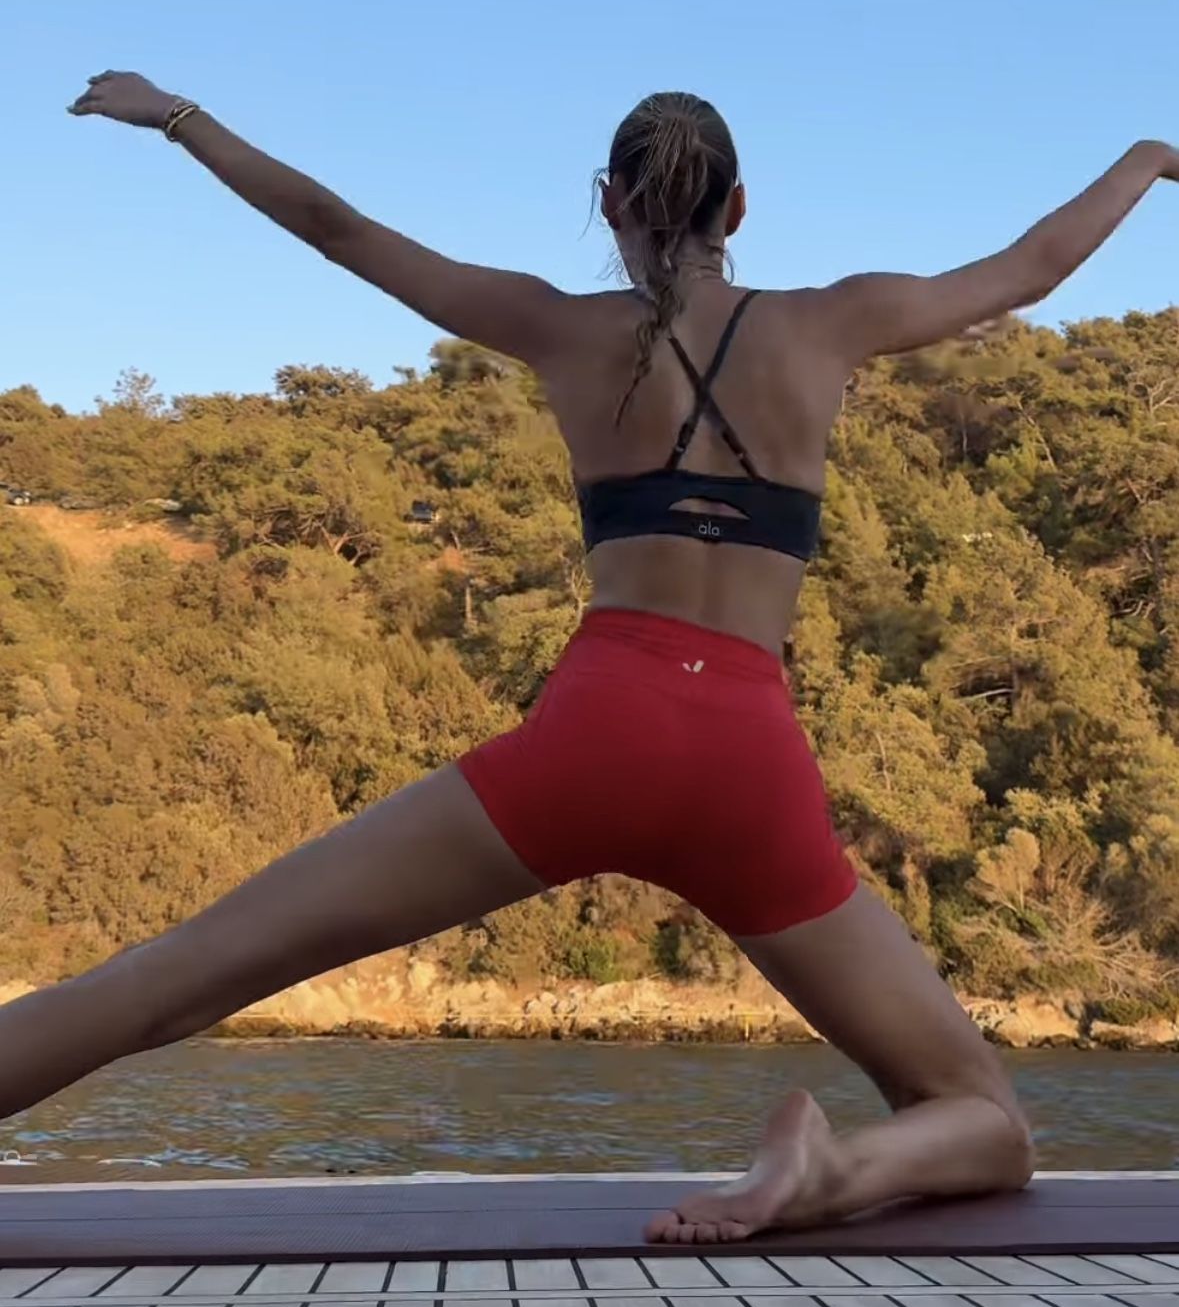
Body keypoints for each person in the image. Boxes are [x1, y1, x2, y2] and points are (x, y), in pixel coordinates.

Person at [5, 79, 1176, 1243]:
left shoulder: (559, 328)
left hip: (598, 733)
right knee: (985, 1119)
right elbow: (1033, 268)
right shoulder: (833, 321)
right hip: (748, 763)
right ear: (740, 207)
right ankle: (832, 1173)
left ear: (610, 202)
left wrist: (179, 119)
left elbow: (339, 229)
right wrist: (1147, 158)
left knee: (180, 977)